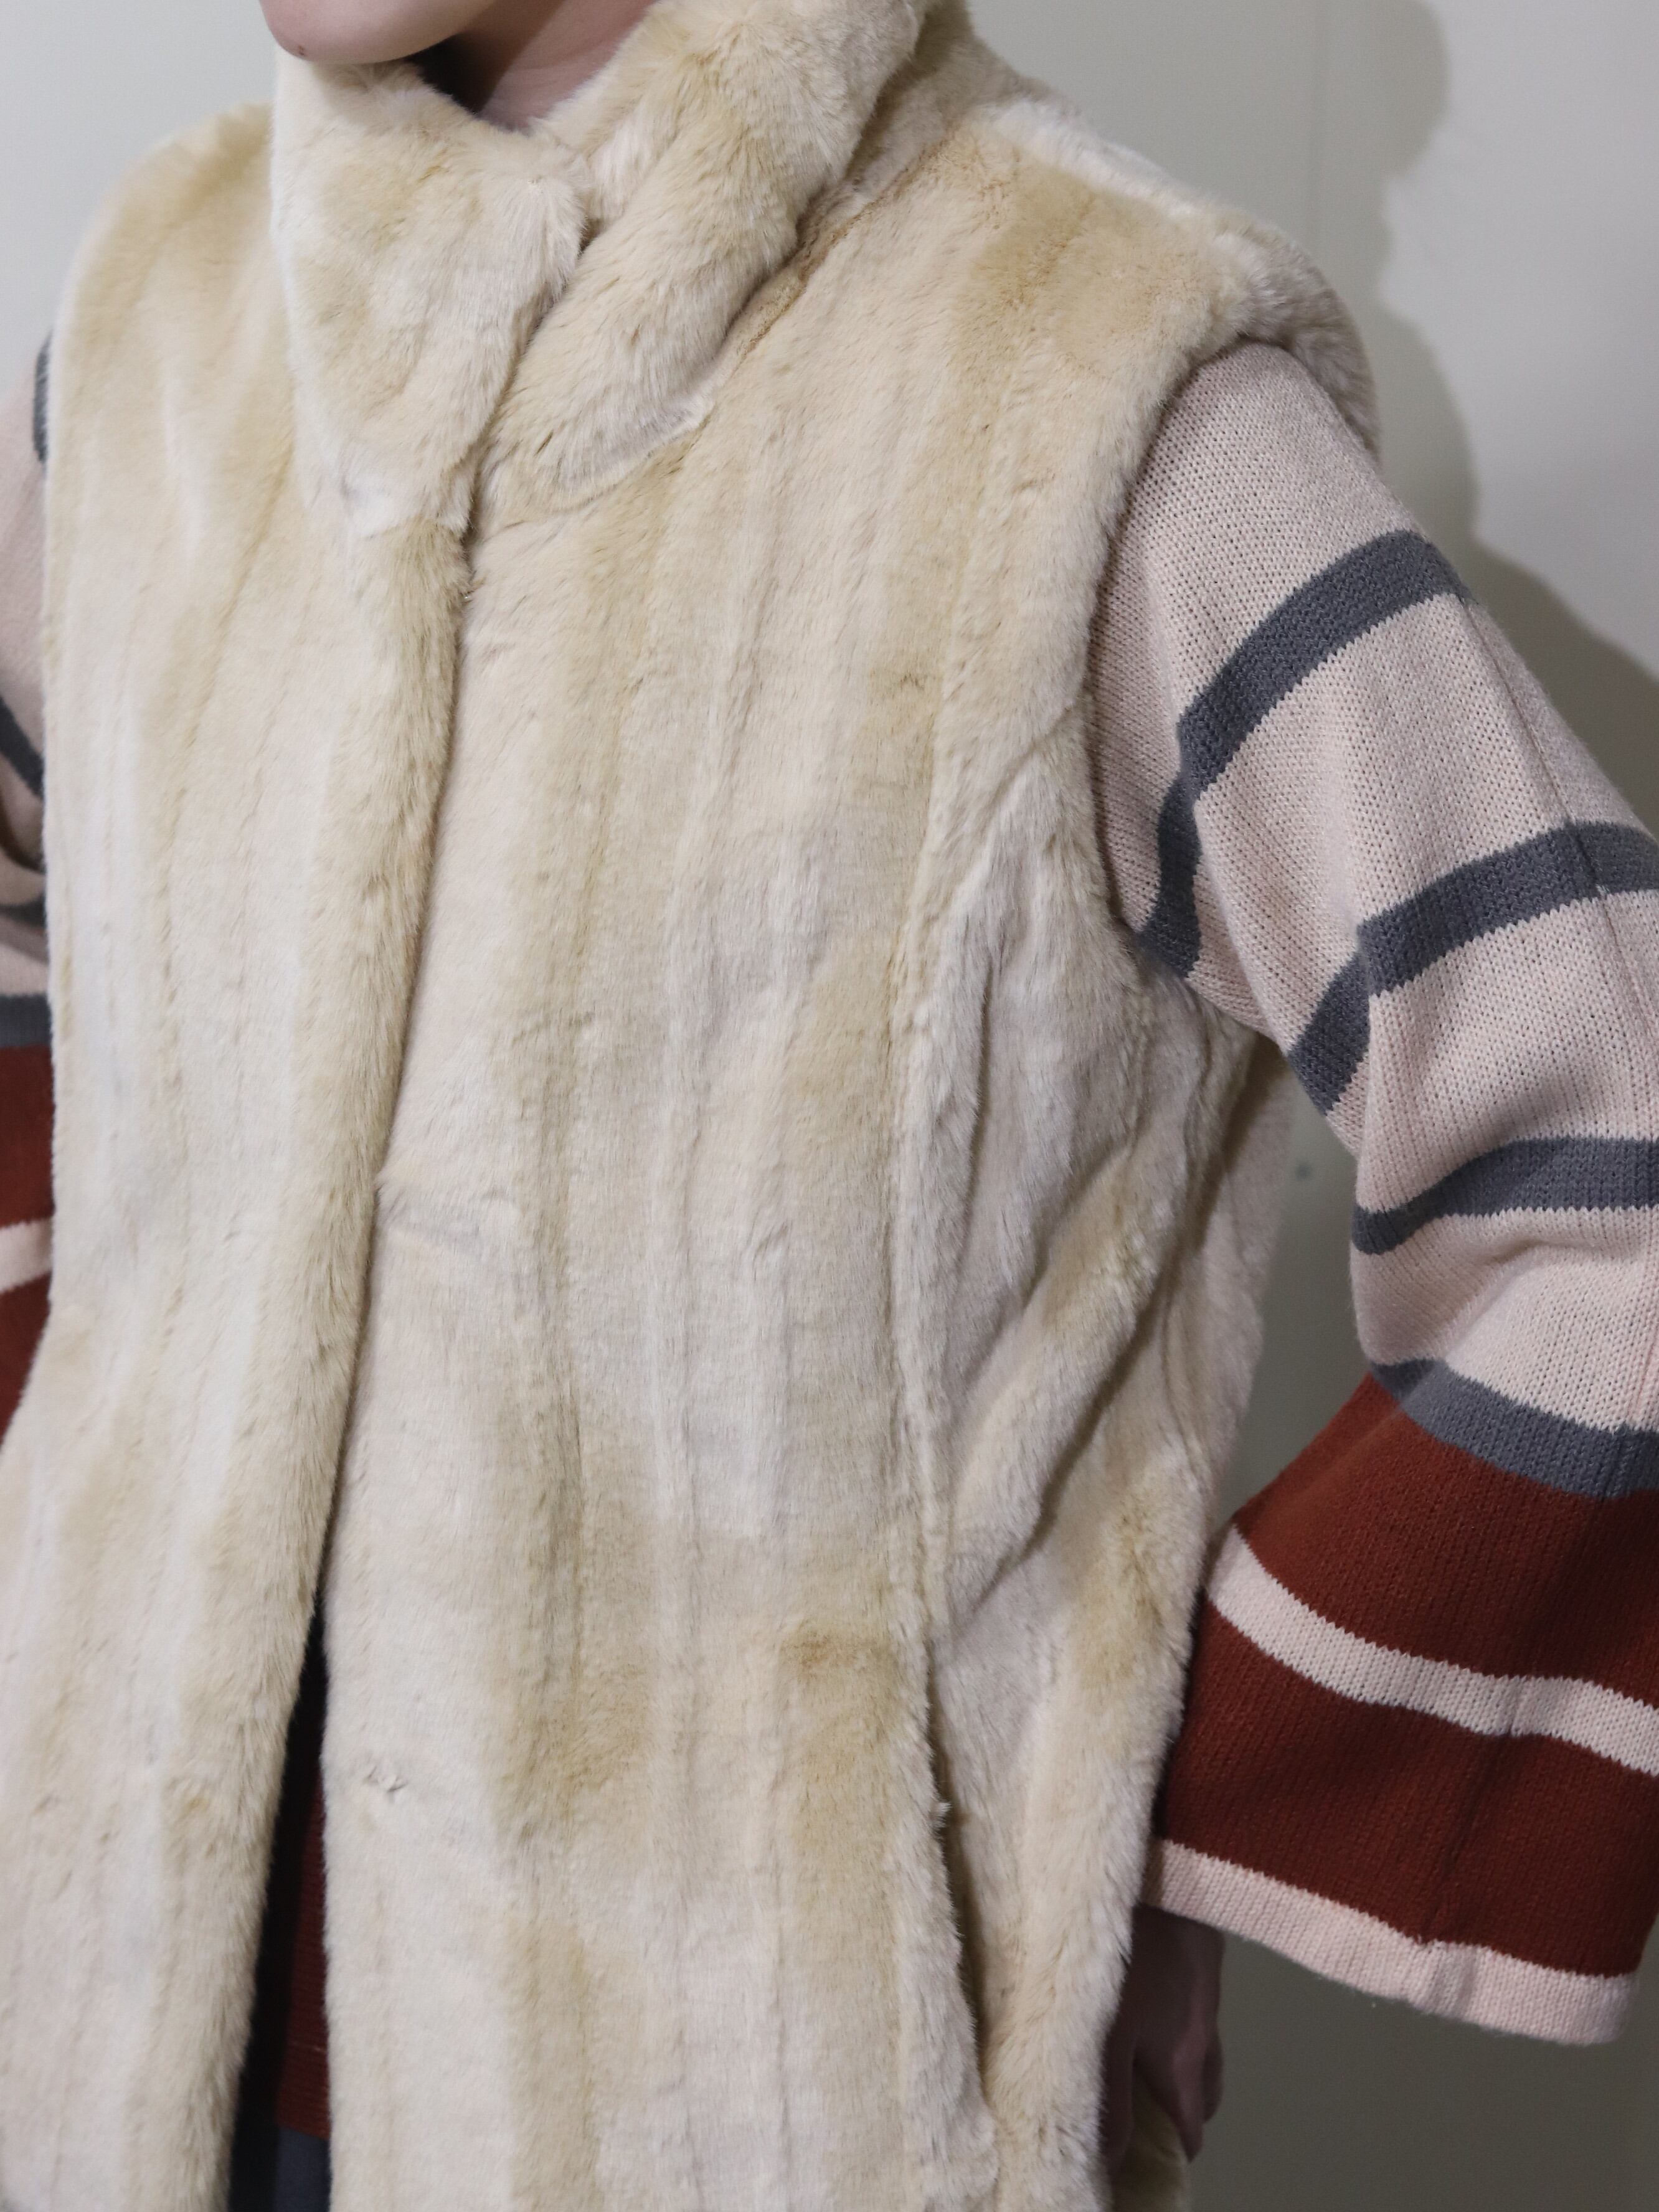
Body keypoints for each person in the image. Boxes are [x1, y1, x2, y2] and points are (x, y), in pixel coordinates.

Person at [0, 0, 1654, 2206]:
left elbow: (1614, 1156)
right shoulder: (155, 336)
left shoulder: (1098, 379)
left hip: (758, 2101)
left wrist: (1187, 1797)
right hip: (98, 2044)